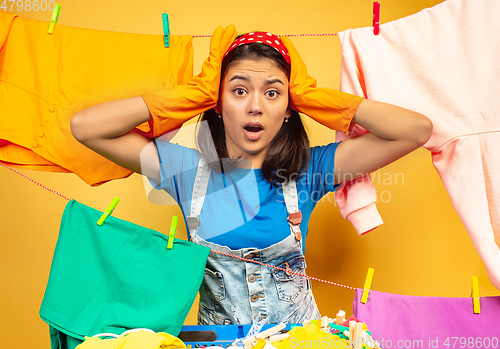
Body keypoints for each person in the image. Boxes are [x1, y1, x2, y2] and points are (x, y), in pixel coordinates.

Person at [70, 26, 432, 325]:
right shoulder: (185, 172)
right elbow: (86, 127)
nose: (255, 106)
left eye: (273, 93)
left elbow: (414, 130)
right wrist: (193, 94)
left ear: (289, 108)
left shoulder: (311, 171)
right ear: (217, 101)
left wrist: (312, 96)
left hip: (299, 346)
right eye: (239, 90)